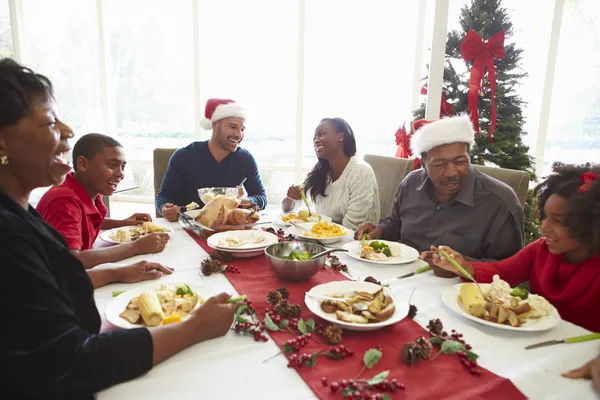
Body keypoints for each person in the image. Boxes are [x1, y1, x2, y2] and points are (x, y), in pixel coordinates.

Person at [0, 58, 235, 398]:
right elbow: (73, 363)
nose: (68, 132)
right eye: (51, 121)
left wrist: (118, 270)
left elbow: (58, 280)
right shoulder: (9, 237)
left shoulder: (22, 214)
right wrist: (193, 328)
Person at [429, 162, 600, 332]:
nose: (544, 227)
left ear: (590, 225)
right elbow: (502, 272)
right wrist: (462, 265)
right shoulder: (541, 249)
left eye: (557, 221)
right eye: (544, 216)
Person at [355, 115, 524, 274]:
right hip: (399, 276)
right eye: (440, 164)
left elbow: (511, 270)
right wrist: (381, 230)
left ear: (469, 157)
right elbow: (397, 223)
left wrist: (460, 266)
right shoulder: (412, 183)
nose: (451, 172)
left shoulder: (499, 202)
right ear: (423, 164)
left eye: (460, 162)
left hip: (460, 295)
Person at [36, 133, 170, 270]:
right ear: (83, 164)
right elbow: (71, 261)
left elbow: (82, 222)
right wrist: (136, 247)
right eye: (112, 165)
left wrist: (123, 223)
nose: (121, 173)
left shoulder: (90, 190)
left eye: (122, 167)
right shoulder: (63, 200)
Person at [157, 98, 267, 222]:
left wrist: (245, 201)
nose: (238, 135)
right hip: (189, 227)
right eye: (232, 127)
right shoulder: (184, 156)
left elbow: (261, 197)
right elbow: (164, 196)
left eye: (242, 129)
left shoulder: (245, 159)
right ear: (215, 124)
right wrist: (164, 209)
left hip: (228, 230)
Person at [281, 118, 380, 230]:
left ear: (340, 137)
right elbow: (288, 208)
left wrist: (315, 231)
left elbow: (353, 228)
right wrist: (290, 198)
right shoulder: (320, 171)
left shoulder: (361, 172)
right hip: (321, 239)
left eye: (321, 134)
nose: (316, 140)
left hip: (353, 243)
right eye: (315, 137)